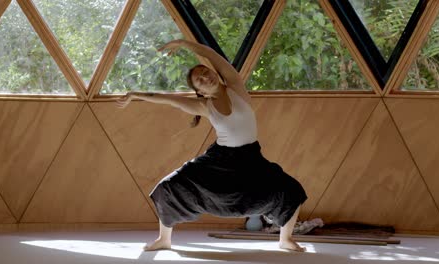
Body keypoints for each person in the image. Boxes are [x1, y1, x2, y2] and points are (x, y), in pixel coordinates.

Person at [115, 39, 308, 252]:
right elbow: (167, 99)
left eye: (205, 72)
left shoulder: (235, 86)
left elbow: (211, 54)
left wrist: (182, 43)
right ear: (201, 92)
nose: (206, 77)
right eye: (200, 80)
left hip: (251, 158)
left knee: (291, 190)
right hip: (220, 160)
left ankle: (285, 239)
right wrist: (135, 95)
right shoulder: (204, 106)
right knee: (168, 187)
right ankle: (164, 239)